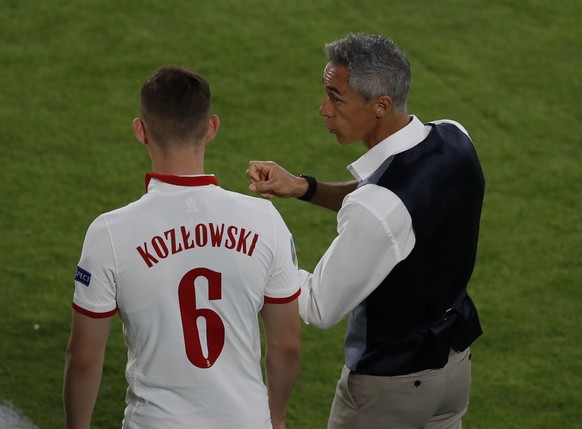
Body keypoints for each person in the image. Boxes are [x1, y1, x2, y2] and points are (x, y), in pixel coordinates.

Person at [247, 33, 485, 428]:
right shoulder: (455, 136)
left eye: (336, 98)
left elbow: (319, 307)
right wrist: (304, 187)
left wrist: (254, 253)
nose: (323, 109)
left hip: (387, 392)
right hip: (453, 373)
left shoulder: (377, 208)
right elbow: (398, 201)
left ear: (381, 106)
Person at [64, 65, 301, 429]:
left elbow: (83, 358)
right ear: (211, 127)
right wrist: (277, 419)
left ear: (140, 131)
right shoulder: (264, 220)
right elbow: (286, 345)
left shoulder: (109, 233)